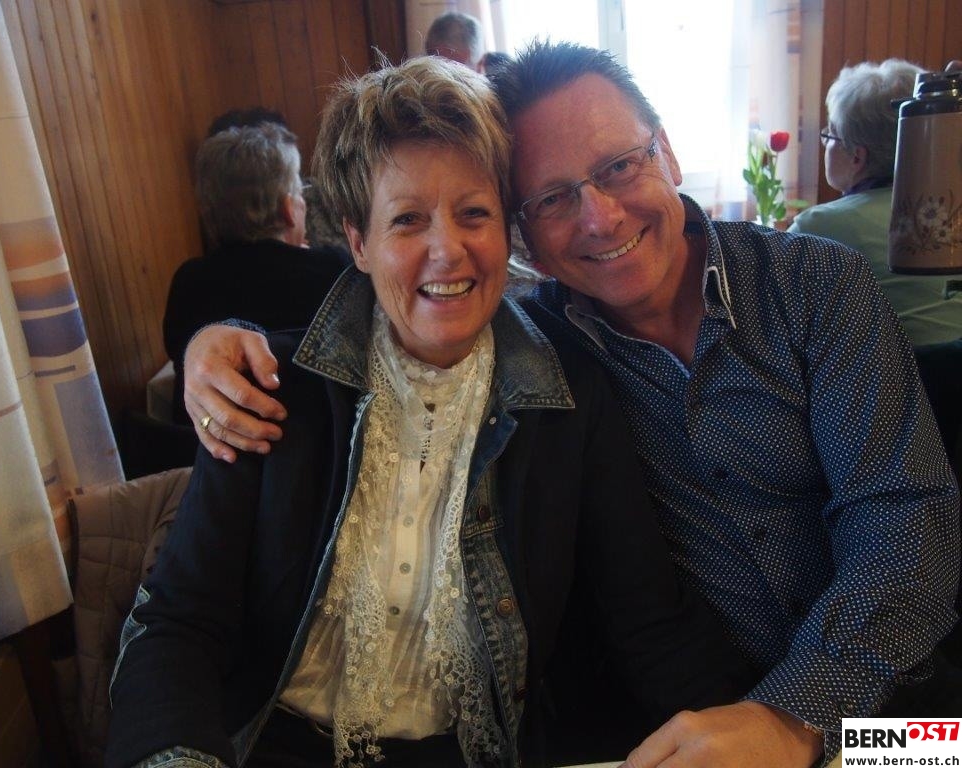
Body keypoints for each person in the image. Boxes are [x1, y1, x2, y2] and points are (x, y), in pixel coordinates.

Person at [182, 41, 961, 767]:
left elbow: (905, 521)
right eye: (554, 198)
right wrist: (220, 340)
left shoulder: (815, 286)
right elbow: (400, 303)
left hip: (893, 707)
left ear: (668, 152)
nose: (600, 217)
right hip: (697, 718)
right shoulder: (548, 361)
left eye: (619, 166)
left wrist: (794, 721)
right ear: (525, 232)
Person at [108, 56, 752, 768]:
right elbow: (178, 624)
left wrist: (761, 735)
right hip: (272, 745)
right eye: (408, 219)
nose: (448, 251)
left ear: (507, 232)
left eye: (474, 213)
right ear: (358, 242)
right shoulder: (270, 386)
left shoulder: (571, 396)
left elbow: (650, 622)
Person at [162, 120, 351, 425]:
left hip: (201, 442)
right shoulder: (333, 269)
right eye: (300, 191)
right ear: (289, 208)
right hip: (308, 435)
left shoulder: (188, 280)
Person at [788, 59, 962, 347]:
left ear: (857, 156)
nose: (826, 145)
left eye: (830, 136)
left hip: (899, 372)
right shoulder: (950, 209)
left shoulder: (819, 227)